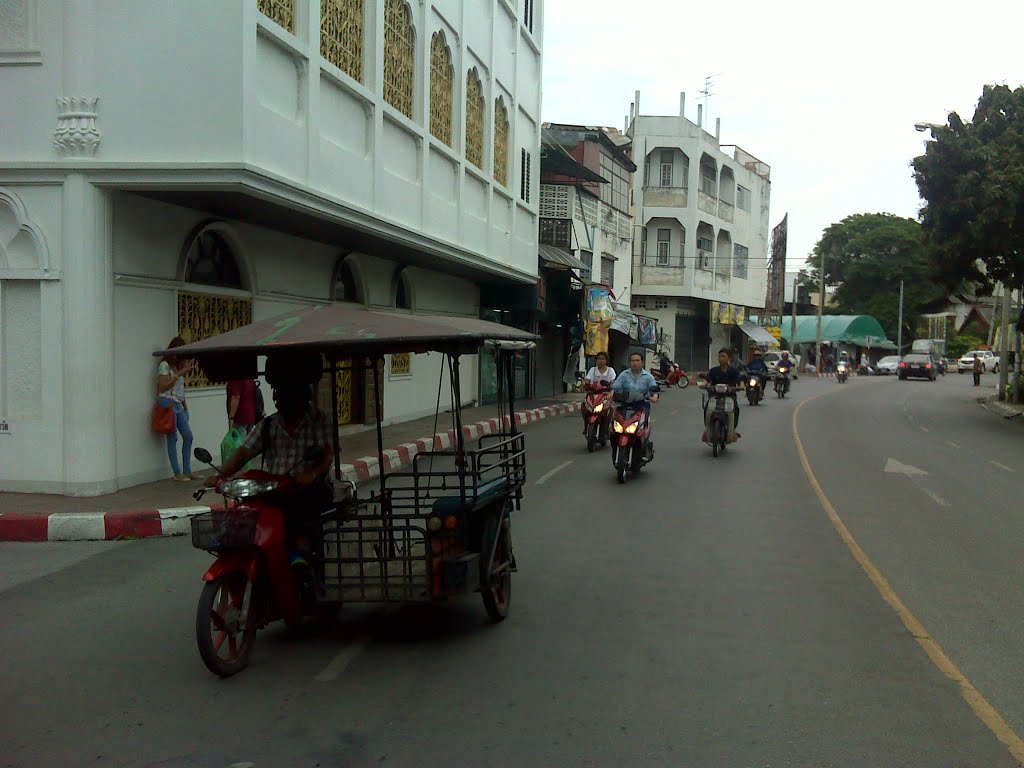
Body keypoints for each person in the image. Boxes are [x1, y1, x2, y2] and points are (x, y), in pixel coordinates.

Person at [209, 350, 335, 567]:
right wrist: (221, 474)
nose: (284, 399)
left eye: (290, 392)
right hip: (275, 489)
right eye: (281, 393)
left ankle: (300, 550)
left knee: (302, 504)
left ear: (303, 394)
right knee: (247, 510)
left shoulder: (319, 421)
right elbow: (244, 452)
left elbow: (327, 455)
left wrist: (312, 473)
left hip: (309, 488)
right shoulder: (268, 425)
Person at [157, 336, 200, 482]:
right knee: (173, 437)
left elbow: (181, 390)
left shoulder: (177, 365)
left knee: (188, 436)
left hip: (178, 404)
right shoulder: (164, 365)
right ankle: (177, 473)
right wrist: (178, 375)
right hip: (167, 402)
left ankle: (187, 470)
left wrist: (186, 408)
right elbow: (162, 386)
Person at [612, 353, 660, 455]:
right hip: (625, 405)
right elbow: (615, 386)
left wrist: (654, 397)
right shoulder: (624, 375)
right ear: (630, 362)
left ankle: (645, 445)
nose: (635, 363)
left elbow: (654, 390)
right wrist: (612, 391)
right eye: (633, 360)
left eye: (637, 361)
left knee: (642, 428)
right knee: (614, 427)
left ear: (642, 362)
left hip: (641, 405)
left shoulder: (648, 377)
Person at [702, 347, 742, 441]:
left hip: (730, 396)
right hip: (714, 396)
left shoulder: (734, 371)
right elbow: (706, 380)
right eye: (720, 356)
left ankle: (732, 431)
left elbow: (740, 383)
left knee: (735, 410)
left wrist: (740, 387)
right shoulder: (713, 371)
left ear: (728, 358)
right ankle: (708, 430)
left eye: (723, 356)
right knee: (707, 410)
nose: (721, 358)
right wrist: (703, 384)